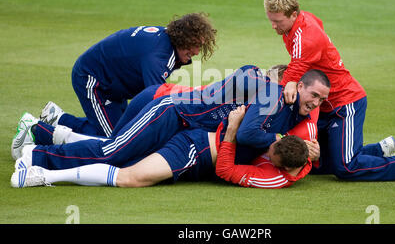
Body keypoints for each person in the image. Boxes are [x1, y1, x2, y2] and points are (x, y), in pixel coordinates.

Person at [263, 0, 395, 182]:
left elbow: (291, 79)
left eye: (277, 21)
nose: (273, 26)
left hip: (345, 104)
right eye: (271, 20)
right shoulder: (300, 23)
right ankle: (379, 150)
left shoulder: (305, 39)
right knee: (318, 161)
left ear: (294, 14)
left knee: (346, 167)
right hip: (323, 103)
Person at [11, 67, 325, 173]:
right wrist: (284, 141)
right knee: (114, 152)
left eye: (322, 100)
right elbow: (248, 133)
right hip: (170, 111)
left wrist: (303, 148)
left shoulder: (288, 109)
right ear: (298, 85)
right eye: (314, 95)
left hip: (180, 124)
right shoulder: (271, 92)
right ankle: (35, 155)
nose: (316, 103)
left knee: (119, 153)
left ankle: (40, 131)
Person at [11, 106, 312, 189]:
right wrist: (232, 133)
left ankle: (45, 137)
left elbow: (311, 123)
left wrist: (231, 131)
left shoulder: (281, 157)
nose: (266, 154)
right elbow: (224, 169)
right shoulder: (272, 136)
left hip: (192, 142)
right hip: (191, 150)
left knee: (118, 150)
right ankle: (39, 170)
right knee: (126, 173)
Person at [39, 12, 217, 137]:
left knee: (121, 129)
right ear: (183, 38)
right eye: (194, 45)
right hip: (93, 80)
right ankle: (41, 129)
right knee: (113, 140)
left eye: (199, 46)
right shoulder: (157, 57)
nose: (196, 52)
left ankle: (56, 117)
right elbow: (155, 100)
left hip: (115, 85)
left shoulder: (167, 41)